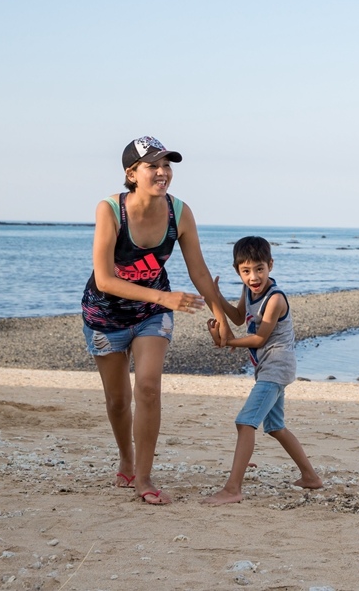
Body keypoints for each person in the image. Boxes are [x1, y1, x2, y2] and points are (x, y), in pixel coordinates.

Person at [81, 136, 231, 505]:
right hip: (105, 315)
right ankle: (126, 457)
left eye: (167, 165)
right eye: (153, 165)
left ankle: (144, 478)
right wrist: (165, 296)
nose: (162, 172)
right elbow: (104, 279)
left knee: (147, 388)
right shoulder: (109, 210)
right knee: (118, 401)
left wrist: (220, 315)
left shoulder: (179, 213)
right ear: (131, 173)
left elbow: (198, 271)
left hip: (152, 315)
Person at [202, 236, 322, 505]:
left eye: (259, 269)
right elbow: (236, 317)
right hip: (268, 367)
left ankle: (232, 489)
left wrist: (226, 341)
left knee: (245, 422)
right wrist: (216, 295)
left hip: (276, 368)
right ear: (238, 271)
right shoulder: (248, 291)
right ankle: (311, 477)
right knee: (276, 426)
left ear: (270, 265)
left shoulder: (275, 299)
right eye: (246, 271)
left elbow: (259, 339)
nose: (253, 277)